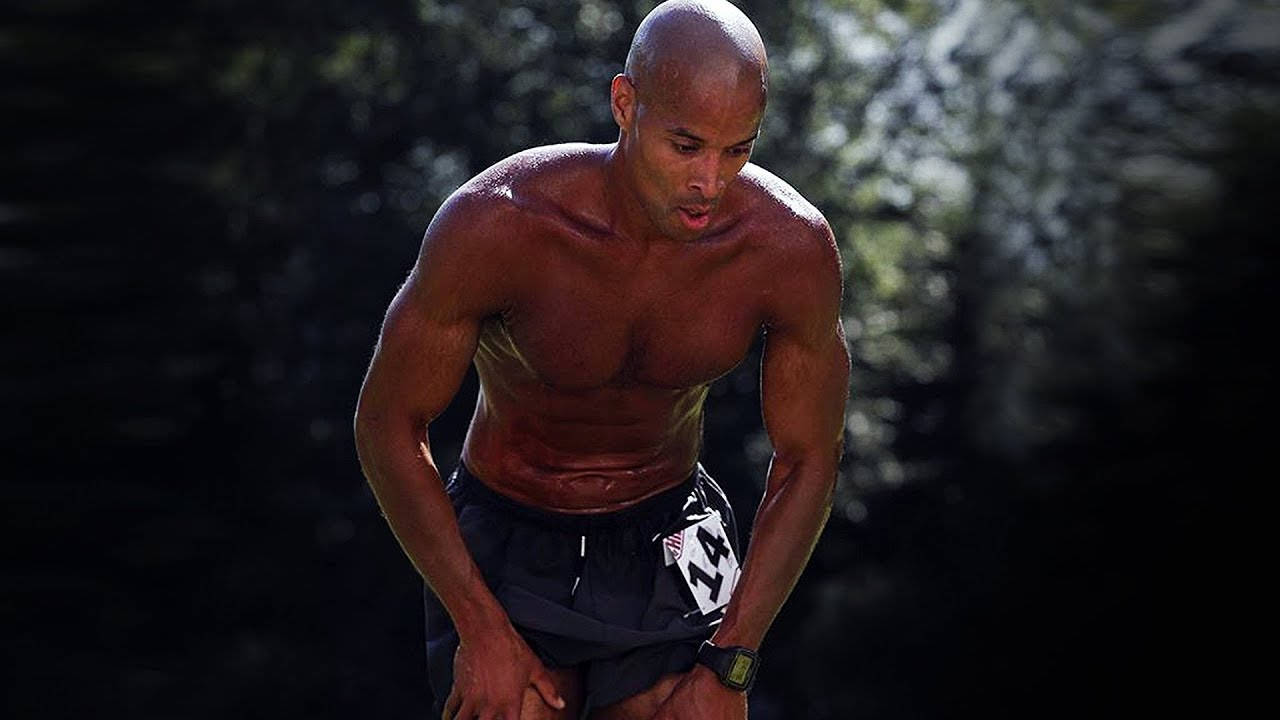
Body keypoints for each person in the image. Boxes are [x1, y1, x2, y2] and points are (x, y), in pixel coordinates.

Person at [353, 1, 850, 718]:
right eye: (685, 146)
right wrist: (479, 625)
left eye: (737, 149)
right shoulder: (501, 220)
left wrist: (732, 661)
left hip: (670, 530)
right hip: (509, 533)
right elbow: (388, 423)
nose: (710, 181)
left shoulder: (788, 248)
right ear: (625, 103)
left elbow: (809, 457)